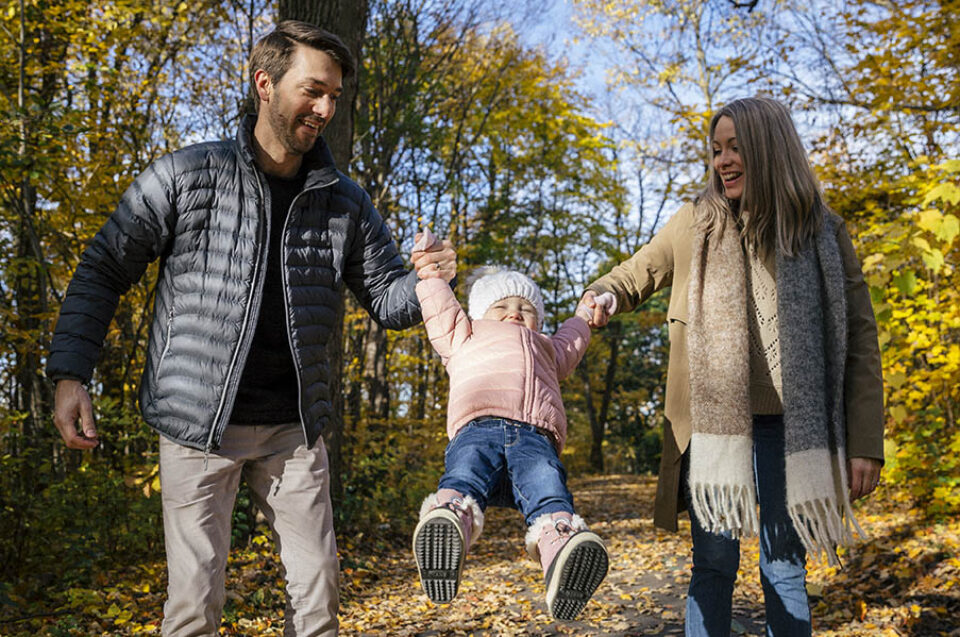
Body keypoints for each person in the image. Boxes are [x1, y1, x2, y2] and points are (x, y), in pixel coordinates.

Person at [47, 20, 455, 636]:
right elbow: (104, 267)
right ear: (265, 83)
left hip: (295, 429)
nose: (324, 108)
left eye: (334, 97)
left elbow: (388, 300)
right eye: (313, 90)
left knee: (318, 594)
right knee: (193, 605)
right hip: (196, 423)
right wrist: (71, 372)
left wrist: (429, 279)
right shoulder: (188, 176)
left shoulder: (344, 201)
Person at [582, 96, 884, 636]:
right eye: (717, 149)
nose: (723, 160)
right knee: (713, 566)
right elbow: (638, 271)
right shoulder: (694, 223)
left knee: (784, 569)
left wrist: (865, 442)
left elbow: (861, 336)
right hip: (711, 428)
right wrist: (603, 293)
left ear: (769, 150)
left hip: (792, 430)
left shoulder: (822, 231)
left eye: (737, 148)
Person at [410, 251, 614, 621]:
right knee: (465, 474)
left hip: (535, 437)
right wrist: (433, 276)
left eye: (526, 307)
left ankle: (559, 551)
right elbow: (439, 309)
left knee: (549, 489)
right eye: (501, 305)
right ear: (479, 312)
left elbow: (572, 337)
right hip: (478, 425)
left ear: (538, 320)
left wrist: (586, 314)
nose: (515, 312)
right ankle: (448, 524)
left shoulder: (547, 347)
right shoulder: (464, 332)